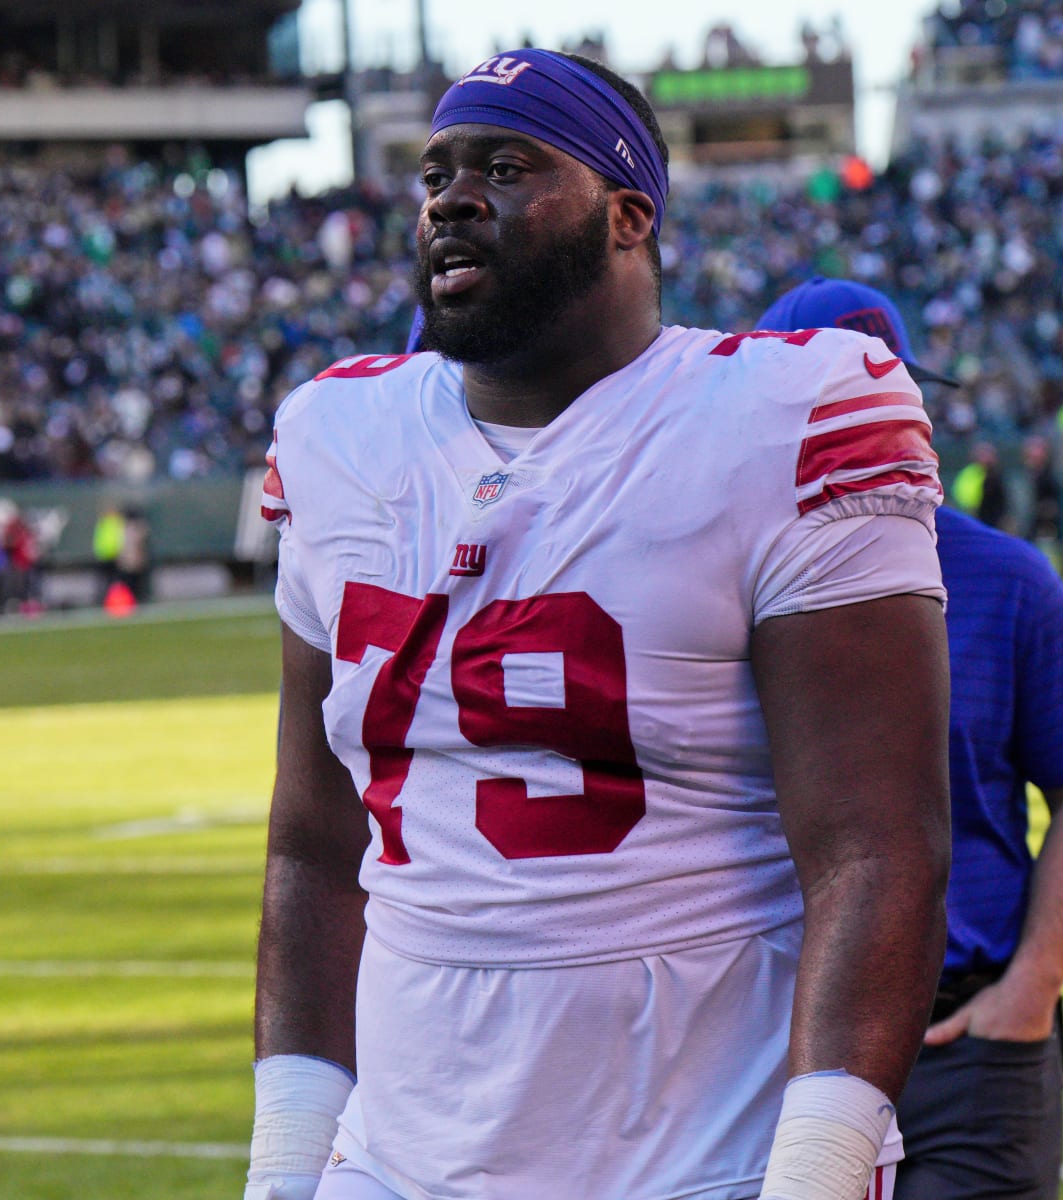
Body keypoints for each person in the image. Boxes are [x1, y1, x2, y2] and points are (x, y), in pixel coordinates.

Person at [247, 50, 952, 1200]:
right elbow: (314, 849)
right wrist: (284, 1163)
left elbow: (879, 846)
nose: (453, 198)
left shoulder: (781, 417)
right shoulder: (338, 435)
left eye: (509, 167)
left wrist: (820, 1166)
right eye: (439, 172)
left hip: (699, 1157)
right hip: (395, 1157)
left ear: (630, 216)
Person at [767, 278, 1063, 1200]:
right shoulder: (704, 583)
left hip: (969, 1036)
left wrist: (1030, 990)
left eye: (880, 389)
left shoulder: (1008, 579)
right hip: (775, 1041)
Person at [1022, 437, 1063, 580]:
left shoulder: (1048, 472)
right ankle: (1030, 567)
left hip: (1050, 510)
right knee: (1029, 540)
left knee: (1060, 541)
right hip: (1039, 510)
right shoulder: (1034, 472)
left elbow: (1055, 492)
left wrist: (1052, 507)